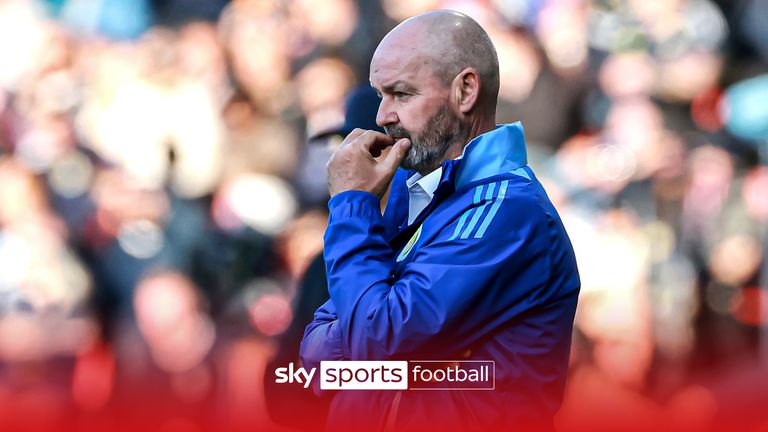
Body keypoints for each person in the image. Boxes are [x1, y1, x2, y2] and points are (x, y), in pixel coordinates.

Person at [300, 10, 581, 432]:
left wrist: (353, 202)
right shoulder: (413, 196)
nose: (382, 116)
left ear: (465, 90)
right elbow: (315, 363)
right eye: (380, 94)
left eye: (401, 94)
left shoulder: (507, 209)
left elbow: (374, 342)